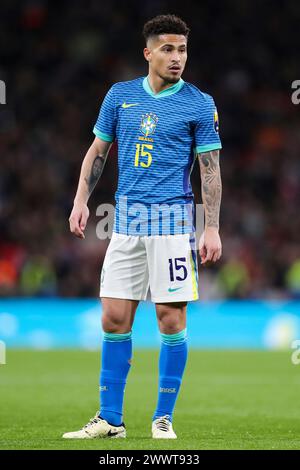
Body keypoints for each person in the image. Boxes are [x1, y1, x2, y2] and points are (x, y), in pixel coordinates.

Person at [64, 13, 222, 440]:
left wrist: (211, 227)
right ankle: (110, 419)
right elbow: (98, 151)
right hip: (126, 224)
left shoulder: (199, 103)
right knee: (114, 319)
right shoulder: (120, 96)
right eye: (168, 49)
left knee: (170, 321)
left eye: (183, 49)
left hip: (172, 225)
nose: (177, 58)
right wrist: (81, 200)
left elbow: (210, 169)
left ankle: (163, 417)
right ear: (148, 52)